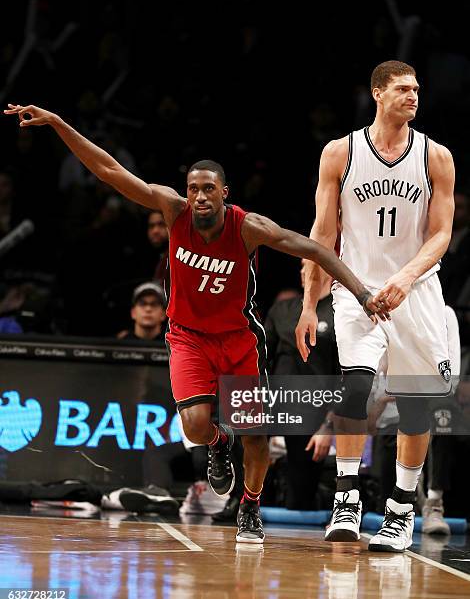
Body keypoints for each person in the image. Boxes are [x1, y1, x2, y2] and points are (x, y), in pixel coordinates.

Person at [4, 103, 388, 544]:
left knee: (257, 439)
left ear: (225, 192)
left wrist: (361, 292)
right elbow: (108, 169)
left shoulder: (249, 228)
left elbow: (315, 250)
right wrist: (57, 123)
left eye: (208, 188)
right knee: (195, 424)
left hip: (239, 341)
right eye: (193, 189)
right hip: (188, 338)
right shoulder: (173, 211)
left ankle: (249, 504)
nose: (200, 196)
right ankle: (217, 445)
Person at [296, 60, 455, 552]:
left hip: (417, 292)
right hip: (357, 289)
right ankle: (347, 500)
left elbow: (441, 233)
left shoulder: (436, 156)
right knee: (356, 389)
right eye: (403, 89)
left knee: (414, 406)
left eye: (417, 89)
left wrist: (406, 278)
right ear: (377, 92)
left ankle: (401, 511)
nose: (413, 96)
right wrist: (309, 302)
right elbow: (322, 234)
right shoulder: (340, 152)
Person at [264, 259, 338, 510]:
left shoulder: (341, 313)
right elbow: (261, 360)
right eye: (302, 265)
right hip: (272, 404)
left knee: (300, 495)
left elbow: (346, 377)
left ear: (329, 271)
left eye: (310, 264)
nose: (303, 270)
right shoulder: (281, 310)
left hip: (312, 414)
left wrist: (328, 426)